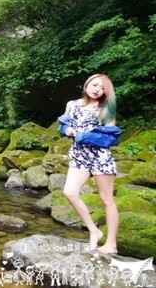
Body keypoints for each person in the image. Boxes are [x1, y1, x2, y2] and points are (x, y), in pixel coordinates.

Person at [61, 74, 118, 254]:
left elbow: (111, 138)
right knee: (69, 192)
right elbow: (64, 124)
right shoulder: (72, 104)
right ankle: (94, 230)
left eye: (102, 88)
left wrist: (84, 136)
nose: (97, 89)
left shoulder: (106, 109)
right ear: (87, 84)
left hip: (100, 156)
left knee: (106, 199)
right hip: (79, 156)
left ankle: (111, 244)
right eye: (94, 85)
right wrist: (66, 130)